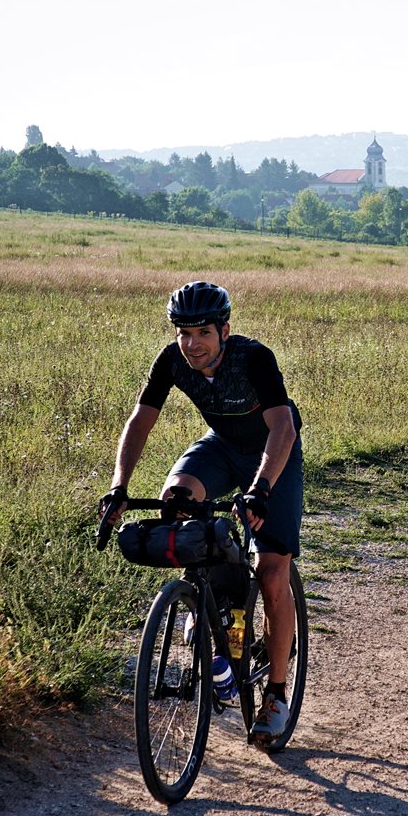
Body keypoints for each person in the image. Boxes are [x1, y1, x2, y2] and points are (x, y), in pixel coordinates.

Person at [98, 281, 304, 748]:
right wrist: (119, 488)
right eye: (182, 332)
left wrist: (261, 490)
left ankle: (275, 694)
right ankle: (209, 606)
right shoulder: (171, 361)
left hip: (274, 454)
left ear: (224, 330)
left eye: (203, 332)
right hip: (222, 448)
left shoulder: (253, 358)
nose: (191, 343)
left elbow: (283, 425)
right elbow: (140, 420)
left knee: (272, 571)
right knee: (176, 497)